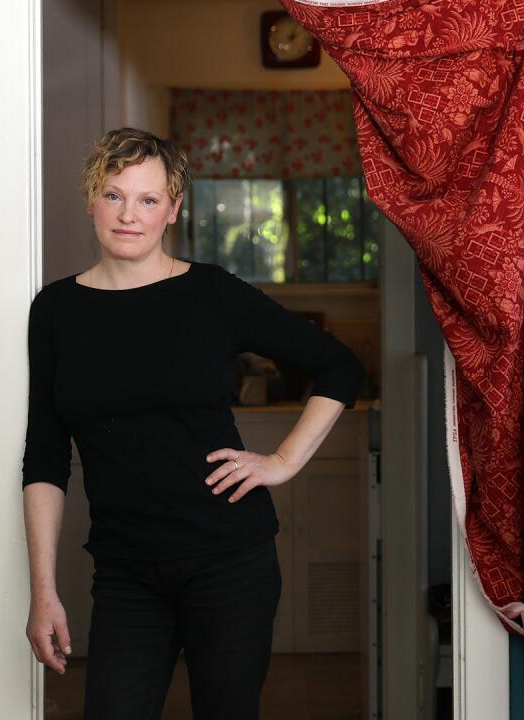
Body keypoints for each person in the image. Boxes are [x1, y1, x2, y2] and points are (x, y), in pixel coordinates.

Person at [21, 127, 365, 719]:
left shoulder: (211, 294)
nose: (129, 214)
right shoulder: (56, 310)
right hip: (126, 569)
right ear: (90, 201)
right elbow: (45, 455)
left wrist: (282, 462)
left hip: (229, 561)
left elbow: (339, 367)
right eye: (114, 195)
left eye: (148, 200)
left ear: (173, 210)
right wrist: (43, 590)